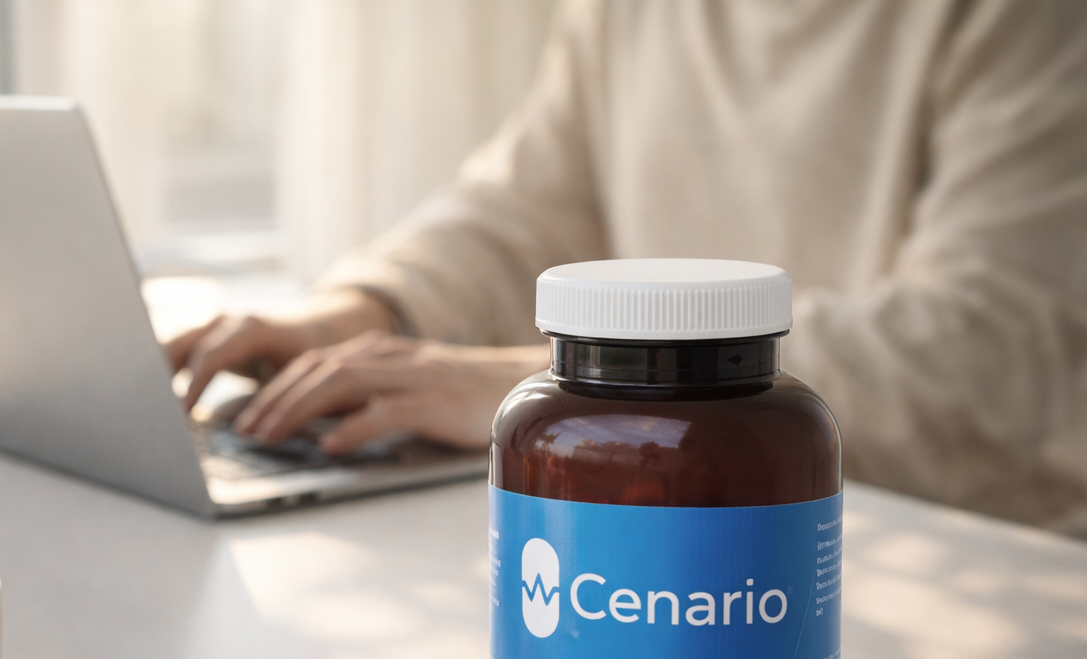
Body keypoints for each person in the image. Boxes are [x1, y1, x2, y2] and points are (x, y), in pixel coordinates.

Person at [165, 0, 1087, 536]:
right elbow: (521, 205)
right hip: (665, 521)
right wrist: (364, 312)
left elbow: (986, 349)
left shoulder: (1033, 27)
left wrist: (569, 395)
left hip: (953, 544)